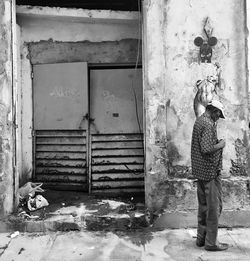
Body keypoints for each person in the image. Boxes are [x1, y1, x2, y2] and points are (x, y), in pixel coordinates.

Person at [191, 100, 228, 251]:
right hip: (210, 172)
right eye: (219, 114)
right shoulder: (207, 124)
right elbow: (206, 148)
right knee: (214, 208)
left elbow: (202, 146)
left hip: (201, 171)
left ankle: (201, 239)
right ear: (214, 111)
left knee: (204, 207)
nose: (219, 117)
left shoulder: (199, 121)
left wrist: (215, 142)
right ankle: (211, 243)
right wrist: (221, 144)